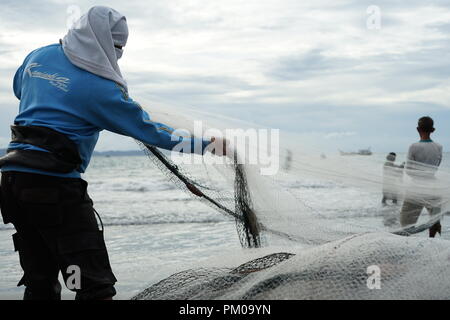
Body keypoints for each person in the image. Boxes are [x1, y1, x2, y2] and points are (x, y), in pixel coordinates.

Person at [0, 6, 225, 300]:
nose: (118, 54)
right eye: (117, 47)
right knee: (93, 285)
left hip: (13, 184)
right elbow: (153, 133)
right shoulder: (100, 89)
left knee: (40, 279)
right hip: (54, 191)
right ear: (102, 41)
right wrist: (207, 145)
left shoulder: (38, 56)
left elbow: (21, 89)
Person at [399, 116, 442, 237]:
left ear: (418, 129)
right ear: (433, 130)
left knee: (406, 223)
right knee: (434, 219)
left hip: (416, 188)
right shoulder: (439, 147)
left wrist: (419, 176)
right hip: (433, 187)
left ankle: (408, 248)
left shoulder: (414, 147)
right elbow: (436, 167)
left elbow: (408, 170)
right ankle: (434, 245)